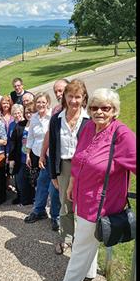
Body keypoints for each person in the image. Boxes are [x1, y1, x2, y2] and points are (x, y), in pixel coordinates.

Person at [57, 88, 136, 281]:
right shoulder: (89, 127)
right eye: (94, 107)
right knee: (88, 238)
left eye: (105, 108)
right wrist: (72, 184)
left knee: (80, 245)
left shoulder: (122, 135)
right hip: (82, 196)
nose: (99, 112)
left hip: (100, 203)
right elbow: (78, 158)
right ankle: (90, 272)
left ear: (114, 110)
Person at [48, 79, 91, 256]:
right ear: (64, 97)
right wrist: (53, 174)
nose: (74, 100)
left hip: (85, 169)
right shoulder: (56, 120)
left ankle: (82, 241)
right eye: (70, 96)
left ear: (84, 98)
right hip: (64, 168)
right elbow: (52, 146)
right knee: (65, 205)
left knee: (83, 206)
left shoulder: (90, 120)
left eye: (78, 97)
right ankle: (66, 238)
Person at [23, 92, 60, 231]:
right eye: (38, 102)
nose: (40, 105)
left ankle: (56, 217)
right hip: (40, 156)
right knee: (42, 183)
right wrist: (28, 154)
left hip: (53, 157)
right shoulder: (34, 118)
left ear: (48, 103)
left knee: (53, 187)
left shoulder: (53, 116)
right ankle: (39, 211)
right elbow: (31, 137)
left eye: (43, 102)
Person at [8, 102, 35, 206]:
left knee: (33, 181)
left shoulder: (37, 124)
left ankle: (34, 200)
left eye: (31, 112)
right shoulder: (19, 125)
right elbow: (13, 143)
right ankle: (24, 200)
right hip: (21, 159)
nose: (29, 115)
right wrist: (11, 158)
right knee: (20, 181)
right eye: (27, 112)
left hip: (34, 158)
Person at [7, 103, 24, 204]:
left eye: (19, 113)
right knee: (16, 176)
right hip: (14, 154)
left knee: (23, 176)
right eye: (14, 113)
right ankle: (19, 195)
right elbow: (9, 141)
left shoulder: (26, 123)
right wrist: (9, 155)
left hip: (23, 153)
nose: (17, 115)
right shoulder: (11, 125)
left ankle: (26, 196)